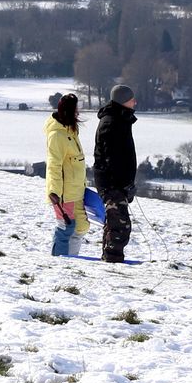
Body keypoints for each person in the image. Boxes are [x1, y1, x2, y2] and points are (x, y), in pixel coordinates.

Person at [92, 84, 138, 263]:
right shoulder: (111, 122)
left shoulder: (120, 120)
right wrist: (123, 183)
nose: (135, 102)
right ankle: (112, 261)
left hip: (117, 182)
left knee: (116, 222)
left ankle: (111, 258)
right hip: (112, 183)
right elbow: (112, 158)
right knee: (119, 225)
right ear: (123, 100)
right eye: (131, 99)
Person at [45, 93, 89, 256]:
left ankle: (71, 258)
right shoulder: (57, 135)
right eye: (76, 109)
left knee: (81, 227)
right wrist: (54, 192)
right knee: (66, 228)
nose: (78, 112)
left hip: (76, 190)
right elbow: (54, 165)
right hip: (63, 194)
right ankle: (62, 262)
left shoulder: (71, 131)